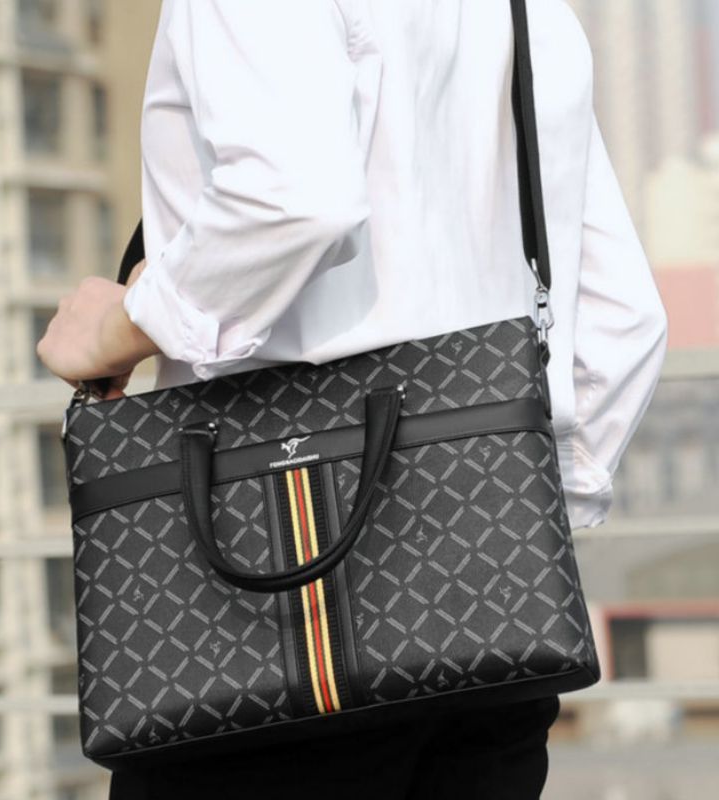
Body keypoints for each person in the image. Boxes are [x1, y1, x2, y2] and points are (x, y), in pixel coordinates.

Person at [37, 1, 668, 797]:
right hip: (492, 618)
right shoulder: (529, 9)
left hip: (258, 632)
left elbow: (293, 202)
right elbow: (621, 318)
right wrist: (520, 525)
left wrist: (126, 324)